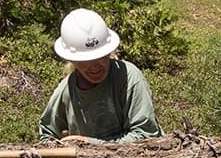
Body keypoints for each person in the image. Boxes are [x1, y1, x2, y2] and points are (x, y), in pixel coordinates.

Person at [39, 8, 162, 144]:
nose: (95, 66)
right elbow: (47, 133)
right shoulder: (66, 90)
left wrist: (89, 144)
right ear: (72, 60)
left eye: (101, 57)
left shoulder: (129, 78)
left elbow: (146, 135)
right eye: (85, 60)